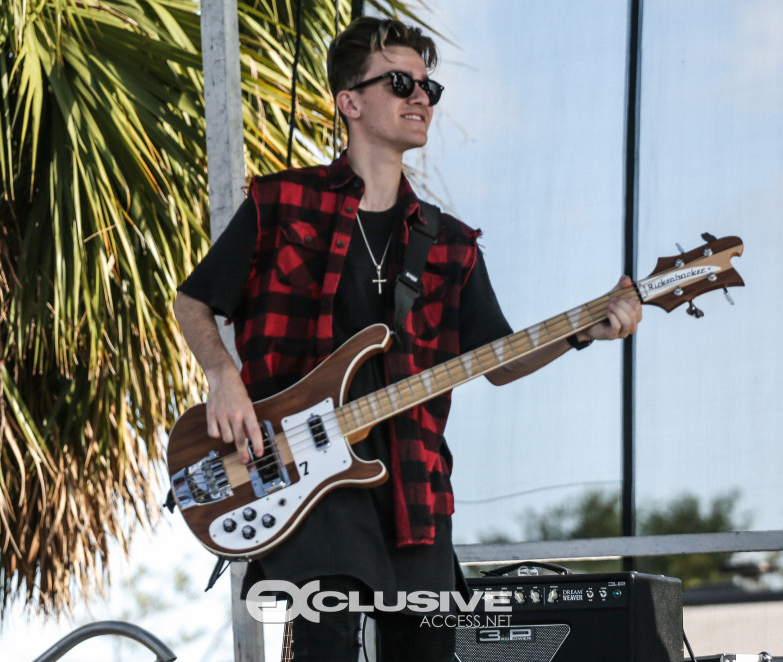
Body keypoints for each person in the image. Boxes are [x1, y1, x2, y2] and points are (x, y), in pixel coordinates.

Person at [174, 16, 642, 662]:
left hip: (413, 483)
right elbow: (194, 300)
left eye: (428, 87)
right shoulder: (281, 203)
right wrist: (223, 377)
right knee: (325, 640)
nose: (421, 97)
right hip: (302, 479)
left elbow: (499, 359)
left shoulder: (450, 244)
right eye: (401, 83)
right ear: (350, 101)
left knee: (426, 651)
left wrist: (582, 331)